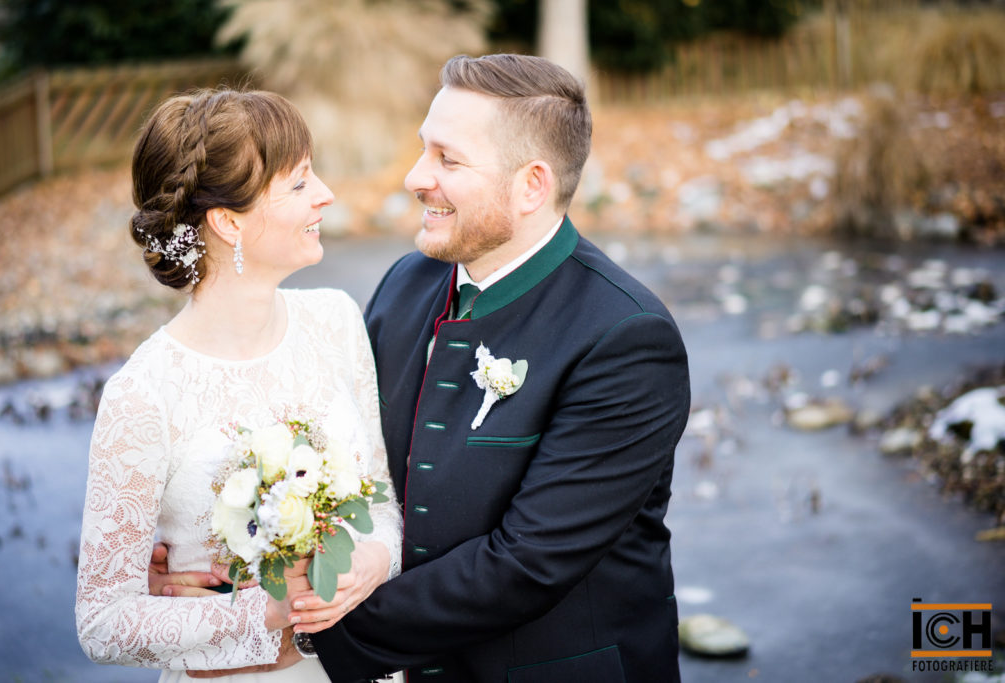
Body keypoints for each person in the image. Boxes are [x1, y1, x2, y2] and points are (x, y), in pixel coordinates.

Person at [173, 53, 689, 683]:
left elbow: (527, 564)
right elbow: (339, 468)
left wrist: (307, 636)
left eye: (448, 159)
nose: (416, 177)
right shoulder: (406, 283)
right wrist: (219, 551)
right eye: (424, 150)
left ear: (531, 184)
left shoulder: (626, 337)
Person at [74, 88, 403, 683]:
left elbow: (381, 503)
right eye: (300, 182)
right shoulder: (144, 394)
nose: (326, 194)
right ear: (228, 222)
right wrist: (267, 611)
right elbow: (102, 621)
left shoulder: (336, 320)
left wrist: (375, 562)